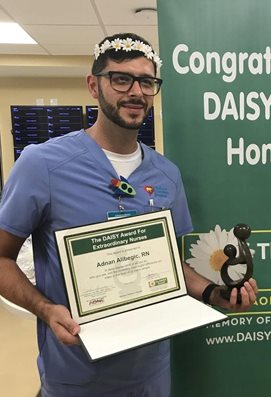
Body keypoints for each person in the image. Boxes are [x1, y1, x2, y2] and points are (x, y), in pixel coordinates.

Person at [0, 33, 258, 397]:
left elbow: (172, 267)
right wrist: (45, 309)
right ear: (94, 85)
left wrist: (215, 293)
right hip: (76, 377)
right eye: (121, 79)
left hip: (150, 377)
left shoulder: (166, 174)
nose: (136, 91)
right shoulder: (43, 165)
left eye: (147, 81)